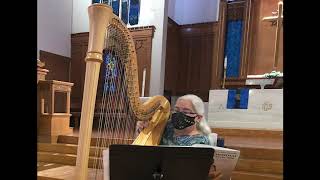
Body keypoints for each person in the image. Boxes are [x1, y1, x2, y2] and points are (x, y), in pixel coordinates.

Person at [136, 94, 214, 146]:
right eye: (176, 110)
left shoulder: (200, 142)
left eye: (185, 112)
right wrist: (142, 126)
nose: (179, 114)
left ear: (198, 118)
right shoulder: (168, 126)